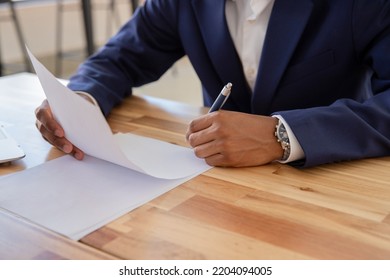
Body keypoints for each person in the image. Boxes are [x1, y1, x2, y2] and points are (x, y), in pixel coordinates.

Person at [35, 0, 390, 168]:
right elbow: (118, 58)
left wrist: (283, 135)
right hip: (211, 184)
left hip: (336, 182)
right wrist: (76, 101)